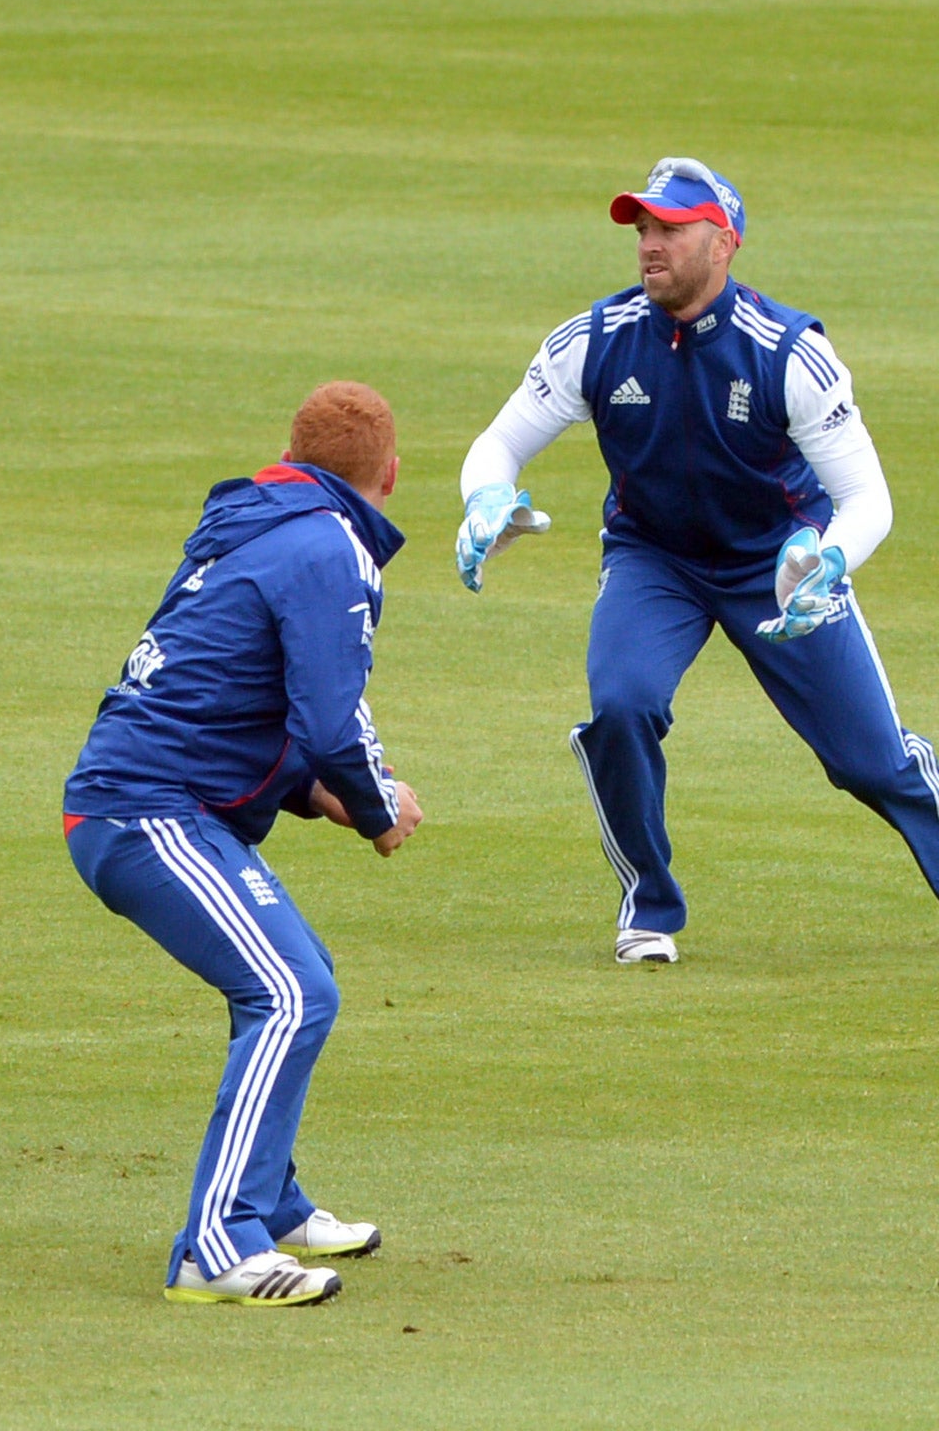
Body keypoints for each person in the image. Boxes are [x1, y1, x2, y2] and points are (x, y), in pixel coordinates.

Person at [457, 157, 939, 964]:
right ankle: (648, 906)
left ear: (725, 242)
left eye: (671, 228)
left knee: (870, 764)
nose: (650, 243)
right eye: (644, 228)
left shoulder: (789, 351)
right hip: (656, 562)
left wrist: (829, 562)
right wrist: (486, 496)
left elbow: (869, 501)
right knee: (622, 705)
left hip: (781, 568)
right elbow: (500, 443)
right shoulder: (596, 340)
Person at [64, 382, 423, 1307]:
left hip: (155, 803)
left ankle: (269, 1202)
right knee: (290, 990)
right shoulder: (327, 546)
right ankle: (216, 1246)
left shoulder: (257, 522)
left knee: (293, 976)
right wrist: (375, 808)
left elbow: (232, 693)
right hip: (146, 811)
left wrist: (312, 796)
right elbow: (332, 722)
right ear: (388, 472)